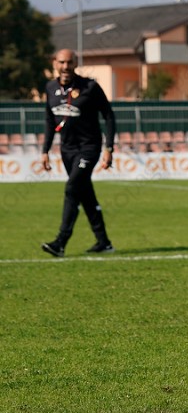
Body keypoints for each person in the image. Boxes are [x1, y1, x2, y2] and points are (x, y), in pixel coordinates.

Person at [40, 49, 116, 257]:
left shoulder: (89, 87)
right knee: (85, 194)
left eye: (70, 62)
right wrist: (45, 150)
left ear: (76, 63)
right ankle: (104, 242)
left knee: (72, 188)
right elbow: (49, 120)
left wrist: (109, 147)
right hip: (67, 150)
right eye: (62, 62)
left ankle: (60, 242)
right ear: (55, 63)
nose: (66, 66)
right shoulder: (50, 88)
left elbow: (109, 115)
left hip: (89, 148)